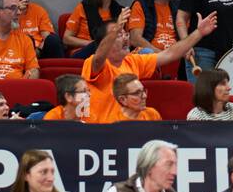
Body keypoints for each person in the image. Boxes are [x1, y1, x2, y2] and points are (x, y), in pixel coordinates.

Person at [84, 9, 218, 123]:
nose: (125, 38)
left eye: (125, 34)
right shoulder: (91, 62)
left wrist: (199, 33)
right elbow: (99, 58)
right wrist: (116, 28)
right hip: (101, 133)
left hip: (129, 129)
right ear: (104, 41)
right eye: (119, 35)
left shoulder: (133, 61)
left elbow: (169, 54)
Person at [2, 0, 66, 60]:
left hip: (39, 51)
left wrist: (38, 50)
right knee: (27, 40)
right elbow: (2, 38)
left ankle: (61, 72)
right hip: (15, 52)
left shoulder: (38, 10)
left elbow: (47, 36)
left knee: (53, 39)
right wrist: (14, 13)